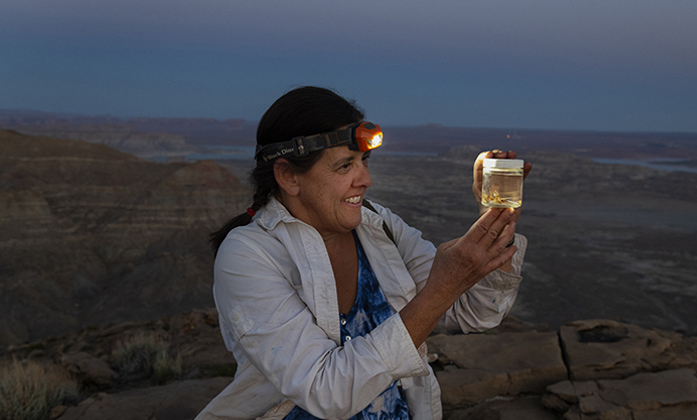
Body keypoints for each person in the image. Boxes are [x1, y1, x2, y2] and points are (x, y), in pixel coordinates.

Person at [196, 86, 530, 420]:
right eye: (344, 166)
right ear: (288, 176)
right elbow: (326, 392)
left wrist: (496, 215)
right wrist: (440, 289)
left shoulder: (377, 226)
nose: (365, 179)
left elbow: (475, 312)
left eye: (364, 161)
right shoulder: (248, 256)